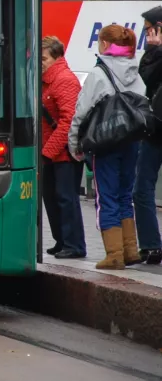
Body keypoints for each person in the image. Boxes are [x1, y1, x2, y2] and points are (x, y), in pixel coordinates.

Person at [68, 24, 144, 270]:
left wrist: (74, 144)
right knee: (124, 194)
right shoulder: (136, 73)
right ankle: (130, 249)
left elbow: (80, 113)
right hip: (132, 141)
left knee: (107, 196)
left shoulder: (99, 74)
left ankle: (113, 255)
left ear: (103, 45)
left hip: (106, 143)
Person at [40, 36, 86, 258]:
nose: (40, 62)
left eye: (44, 58)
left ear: (56, 57)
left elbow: (68, 122)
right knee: (52, 196)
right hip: (53, 151)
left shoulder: (64, 80)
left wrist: (47, 151)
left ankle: (74, 245)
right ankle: (62, 241)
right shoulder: (47, 80)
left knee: (66, 197)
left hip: (63, 153)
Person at [135, 7, 162, 264]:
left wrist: (155, 52)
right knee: (141, 188)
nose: (146, 36)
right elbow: (145, 81)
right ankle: (151, 245)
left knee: (142, 187)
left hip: (156, 130)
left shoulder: (156, 54)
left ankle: (152, 245)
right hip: (155, 130)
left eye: (148, 30)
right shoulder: (155, 54)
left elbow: (145, 77)